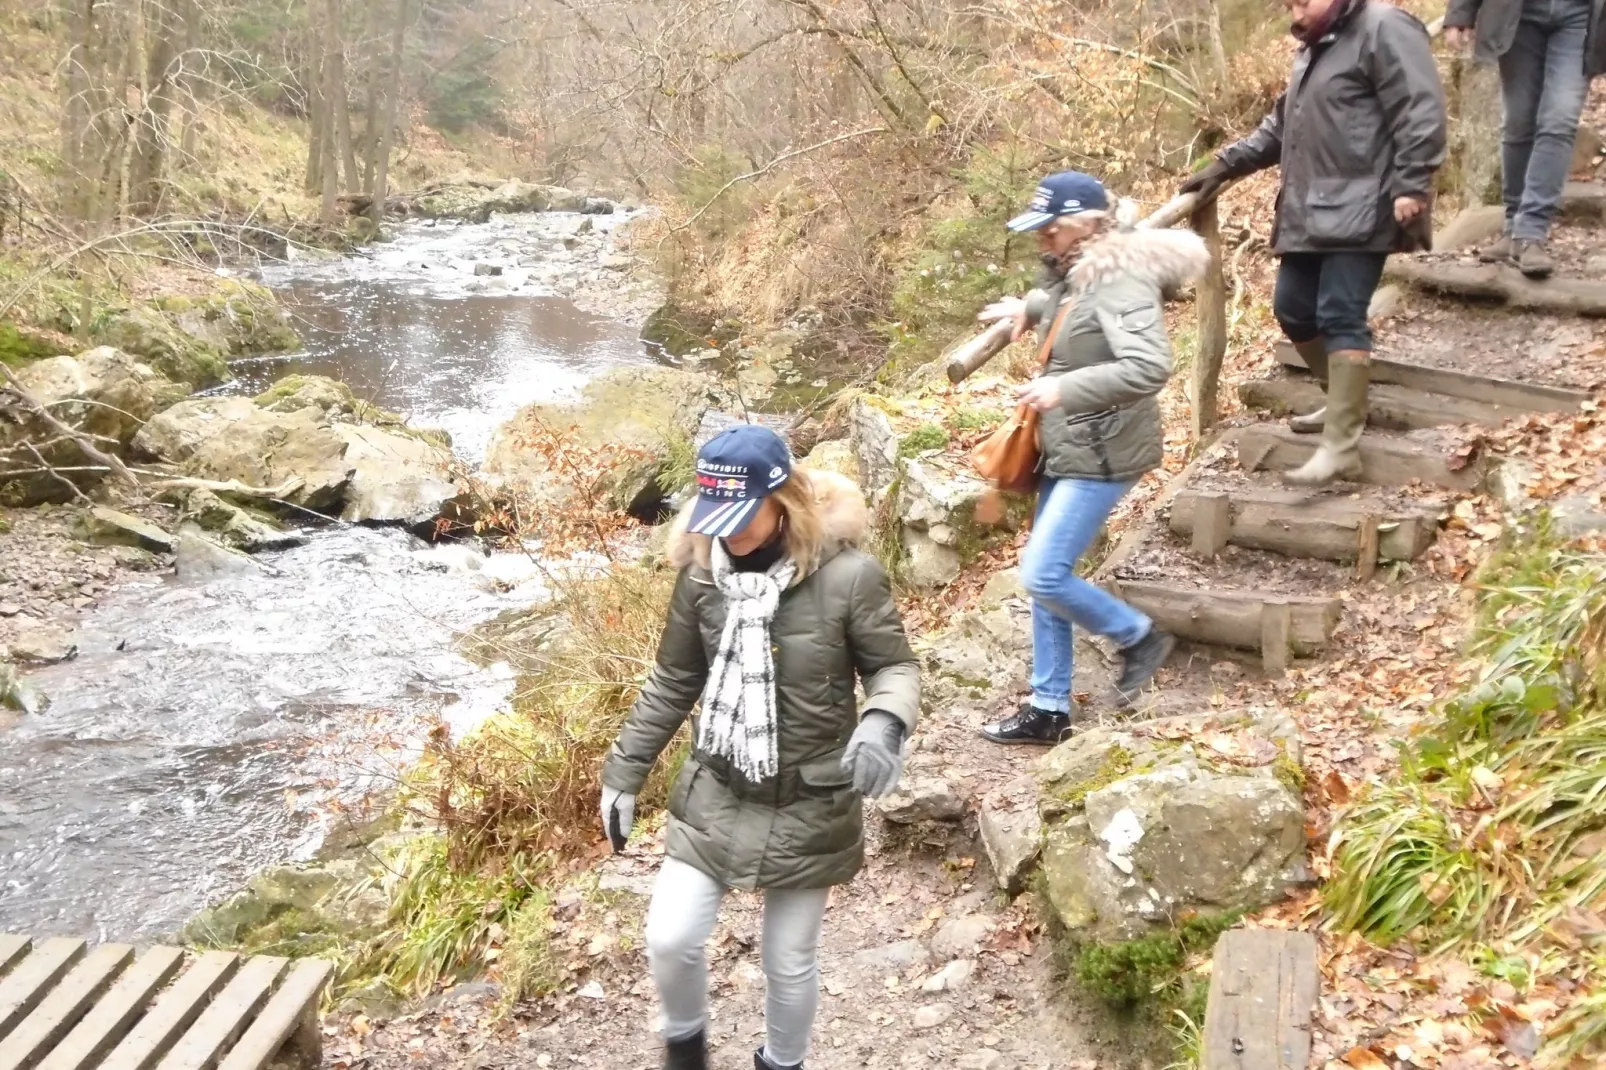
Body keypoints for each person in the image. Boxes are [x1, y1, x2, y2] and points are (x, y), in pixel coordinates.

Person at [598, 424, 920, 1070]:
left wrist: (883, 722)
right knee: (670, 938)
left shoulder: (850, 578)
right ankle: (686, 1054)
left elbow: (895, 669)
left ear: (785, 501)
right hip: (717, 787)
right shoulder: (700, 578)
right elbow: (673, 680)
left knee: (789, 961)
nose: (729, 532)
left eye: (744, 517)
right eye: (718, 517)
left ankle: (781, 1062)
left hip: (812, 797)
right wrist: (624, 773)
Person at [974, 171, 1209, 745]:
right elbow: (1068, 299)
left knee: (1043, 572)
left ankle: (1137, 636)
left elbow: (1151, 366)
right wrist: (1029, 305)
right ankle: (1049, 707)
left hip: (1103, 447)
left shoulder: (1120, 276)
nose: (1042, 242)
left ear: (1081, 225)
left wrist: (1065, 389)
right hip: (1069, 443)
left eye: (1049, 231)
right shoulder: (1076, 268)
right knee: (1047, 576)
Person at [1180, 0, 1447, 486]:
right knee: (1294, 309)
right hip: (1309, 208)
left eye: (1302, 1)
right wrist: (1224, 165)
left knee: (1339, 313)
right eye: (1288, 4)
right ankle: (1343, 400)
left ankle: (1341, 446)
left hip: (1369, 199)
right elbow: (1282, 127)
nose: (1295, 11)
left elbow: (1420, 105)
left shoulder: (1384, 28)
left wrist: (1412, 181)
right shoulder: (1314, 47)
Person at [1445, 0, 1606, 278]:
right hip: (1517, 15)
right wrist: (1460, 13)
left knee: (1559, 119)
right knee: (1518, 121)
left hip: (1581, 16)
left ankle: (1531, 231)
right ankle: (1513, 227)